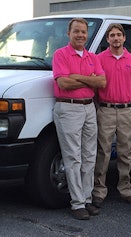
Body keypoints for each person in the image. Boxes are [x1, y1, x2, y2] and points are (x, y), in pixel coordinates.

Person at [52, 18, 106, 220]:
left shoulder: (92, 56)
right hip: (68, 108)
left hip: (89, 108)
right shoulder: (60, 54)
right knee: (73, 157)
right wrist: (88, 79)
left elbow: (101, 81)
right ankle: (77, 204)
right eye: (76, 31)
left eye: (84, 32)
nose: (81, 35)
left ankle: (87, 199)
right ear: (69, 33)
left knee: (89, 156)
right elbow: (64, 83)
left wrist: (79, 77)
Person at [92, 24, 131, 207]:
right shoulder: (99, 59)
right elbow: (96, 88)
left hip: (126, 111)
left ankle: (126, 189)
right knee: (103, 152)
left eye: (119, 35)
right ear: (107, 39)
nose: (116, 38)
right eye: (112, 35)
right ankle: (99, 191)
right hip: (105, 109)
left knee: (125, 152)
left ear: (124, 38)